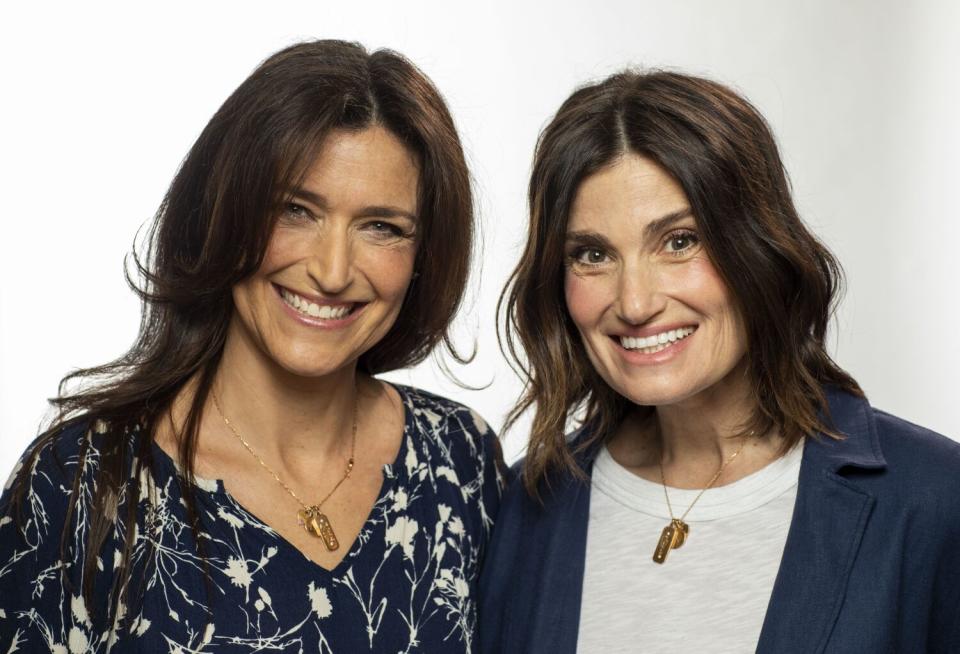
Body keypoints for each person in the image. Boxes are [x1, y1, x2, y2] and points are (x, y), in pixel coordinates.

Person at [0, 40, 504, 652]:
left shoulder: (460, 462)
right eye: (296, 210)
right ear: (224, 213)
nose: (333, 270)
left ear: (424, 255)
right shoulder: (81, 484)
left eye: (381, 228)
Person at [480, 70, 960, 653]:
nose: (635, 302)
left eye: (680, 241)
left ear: (758, 246)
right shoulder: (527, 505)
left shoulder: (933, 499)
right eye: (592, 254)